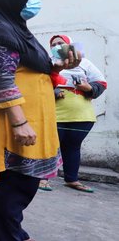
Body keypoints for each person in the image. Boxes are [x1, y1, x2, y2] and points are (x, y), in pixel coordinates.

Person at [0, 0, 81, 241]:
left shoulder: (18, 31)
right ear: (8, 0)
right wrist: (19, 122)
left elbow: (33, 71)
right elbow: (0, 79)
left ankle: (14, 231)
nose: (33, 1)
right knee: (15, 186)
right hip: (18, 123)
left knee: (26, 184)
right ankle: (8, 235)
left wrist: (58, 67)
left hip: (34, 120)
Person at [38, 35, 107, 193]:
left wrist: (87, 88)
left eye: (60, 43)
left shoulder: (84, 62)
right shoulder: (47, 63)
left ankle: (72, 179)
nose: (57, 46)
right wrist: (53, 90)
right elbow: (38, 82)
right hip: (54, 113)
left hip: (82, 115)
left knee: (73, 147)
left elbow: (101, 83)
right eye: (53, 44)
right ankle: (43, 178)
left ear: (69, 45)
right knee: (51, 146)